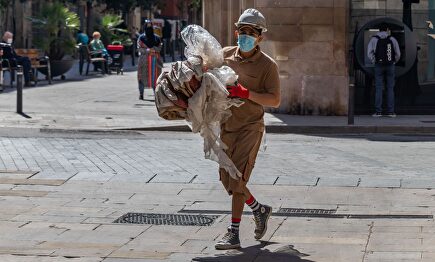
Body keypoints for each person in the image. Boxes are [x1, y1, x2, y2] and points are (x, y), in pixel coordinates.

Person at [214, 8, 280, 250]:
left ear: (260, 37)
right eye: (242, 31)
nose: (246, 36)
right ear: (236, 32)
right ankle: (259, 209)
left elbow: (275, 100)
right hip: (227, 126)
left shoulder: (267, 66)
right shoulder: (224, 55)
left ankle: (233, 233)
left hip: (251, 127)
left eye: (251, 32)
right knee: (227, 180)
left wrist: (246, 93)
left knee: (238, 178)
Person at [367, 23, 401, 118]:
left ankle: (378, 112)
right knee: (390, 88)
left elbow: (369, 53)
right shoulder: (392, 39)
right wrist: (393, 61)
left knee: (378, 88)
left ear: (379, 30)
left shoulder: (374, 39)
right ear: (387, 29)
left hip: (378, 65)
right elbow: (398, 53)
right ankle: (391, 112)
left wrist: (375, 61)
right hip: (390, 65)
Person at [137, 19, 162, 100]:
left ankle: (156, 94)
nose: (149, 28)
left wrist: (154, 49)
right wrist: (148, 50)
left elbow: (160, 47)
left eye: (150, 27)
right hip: (144, 61)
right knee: (142, 77)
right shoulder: (141, 38)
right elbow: (139, 48)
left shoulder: (157, 38)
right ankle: (141, 94)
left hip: (155, 61)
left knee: (156, 78)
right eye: (147, 27)